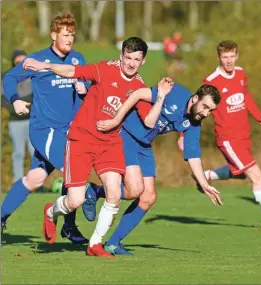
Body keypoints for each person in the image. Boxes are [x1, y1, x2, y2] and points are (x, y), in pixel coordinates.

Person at [23, 37, 166, 258]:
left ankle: (95, 244)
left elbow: (149, 122)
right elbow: (73, 72)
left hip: (110, 144)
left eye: (136, 59)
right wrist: (45, 66)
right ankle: (51, 212)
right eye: (127, 58)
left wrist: (160, 98)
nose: (131, 63)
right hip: (81, 140)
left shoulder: (139, 87)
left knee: (113, 194)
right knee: (75, 201)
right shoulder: (104, 70)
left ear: (143, 61)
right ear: (121, 56)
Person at [82, 83, 223, 255]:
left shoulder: (194, 122)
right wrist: (116, 119)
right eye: (205, 107)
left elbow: (193, 154)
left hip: (144, 144)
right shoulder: (174, 93)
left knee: (148, 197)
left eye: (211, 110)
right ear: (194, 99)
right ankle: (95, 192)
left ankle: (113, 242)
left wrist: (205, 184)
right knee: (134, 189)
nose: (206, 113)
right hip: (125, 135)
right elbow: (138, 93)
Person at [1, 12, 93, 244]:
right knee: (73, 171)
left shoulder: (78, 59)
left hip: (68, 132)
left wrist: (86, 90)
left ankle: (1, 217)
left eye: (72, 34)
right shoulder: (37, 59)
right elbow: (10, 78)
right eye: (65, 34)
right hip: (45, 130)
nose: (70, 39)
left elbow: (89, 87)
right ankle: (71, 224)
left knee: (34, 179)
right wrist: (15, 99)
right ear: (53, 35)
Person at [188, 40, 261, 230]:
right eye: (225, 57)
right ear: (218, 57)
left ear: (237, 56)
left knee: (242, 174)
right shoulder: (211, 81)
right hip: (228, 138)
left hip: (244, 135)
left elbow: (245, 96)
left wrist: (259, 116)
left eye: (232, 56)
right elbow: (197, 107)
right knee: (256, 175)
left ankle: (204, 175)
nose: (229, 61)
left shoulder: (241, 73)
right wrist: (183, 134)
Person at [1, 49, 35, 182]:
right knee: (18, 153)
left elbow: (39, 97)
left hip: (32, 121)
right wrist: (15, 108)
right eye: (18, 61)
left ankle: (35, 182)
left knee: (35, 153)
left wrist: (28, 107)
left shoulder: (33, 77)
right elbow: (4, 100)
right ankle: (18, 182)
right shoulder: (6, 78)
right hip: (15, 122)